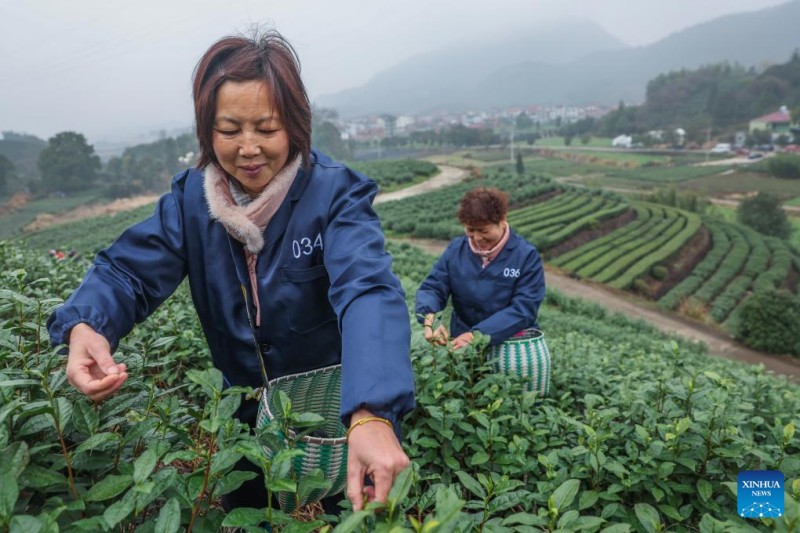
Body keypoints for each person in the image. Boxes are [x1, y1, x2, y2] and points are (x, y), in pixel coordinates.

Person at [47, 30, 414, 513]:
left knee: (338, 511)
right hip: (241, 411)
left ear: (296, 126)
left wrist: (371, 412)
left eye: (267, 128)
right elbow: (128, 271)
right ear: (207, 131)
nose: (248, 148)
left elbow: (367, 289)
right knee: (250, 508)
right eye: (229, 130)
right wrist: (86, 323)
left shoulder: (334, 198)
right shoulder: (191, 203)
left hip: (333, 408)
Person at [415, 187, 545, 349]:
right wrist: (430, 317)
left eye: (484, 230)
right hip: (461, 345)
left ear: (502, 220)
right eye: (470, 230)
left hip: (510, 347)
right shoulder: (456, 250)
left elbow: (524, 309)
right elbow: (433, 287)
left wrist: (477, 334)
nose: (477, 238)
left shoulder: (525, 256)